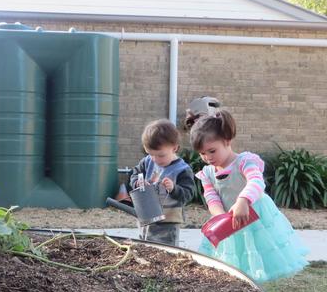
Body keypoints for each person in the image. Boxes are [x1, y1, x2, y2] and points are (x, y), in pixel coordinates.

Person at [189, 110, 309, 283]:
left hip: (254, 220)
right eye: (202, 153)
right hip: (230, 223)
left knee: (255, 260)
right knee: (232, 265)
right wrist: (220, 216)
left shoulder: (245, 161)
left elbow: (256, 182)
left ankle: (254, 291)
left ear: (227, 141)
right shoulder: (207, 173)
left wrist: (243, 200)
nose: (207, 158)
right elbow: (211, 196)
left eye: (212, 151)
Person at [130, 119, 195, 246]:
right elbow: (134, 174)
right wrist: (137, 182)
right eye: (150, 154)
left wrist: (174, 189)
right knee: (145, 246)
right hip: (146, 217)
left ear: (175, 148)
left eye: (160, 155)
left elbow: (188, 194)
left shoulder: (182, 170)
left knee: (166, 251)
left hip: (168, 221)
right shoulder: (147, 161)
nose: (155, 159)